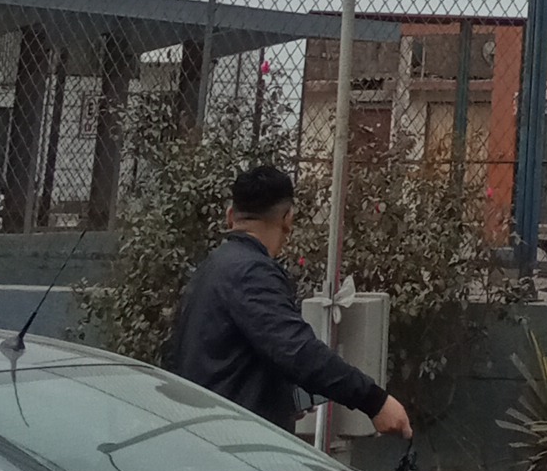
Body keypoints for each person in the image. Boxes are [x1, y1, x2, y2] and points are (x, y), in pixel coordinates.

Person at [165, 162, 415, 443]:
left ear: (230, 216)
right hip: (238, 444)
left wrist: (281, 396)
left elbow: (224, 360)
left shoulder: (211, 268)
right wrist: (374, 401)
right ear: (288, 219)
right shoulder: (252, 272)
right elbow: (298, 351)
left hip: (206, 432)